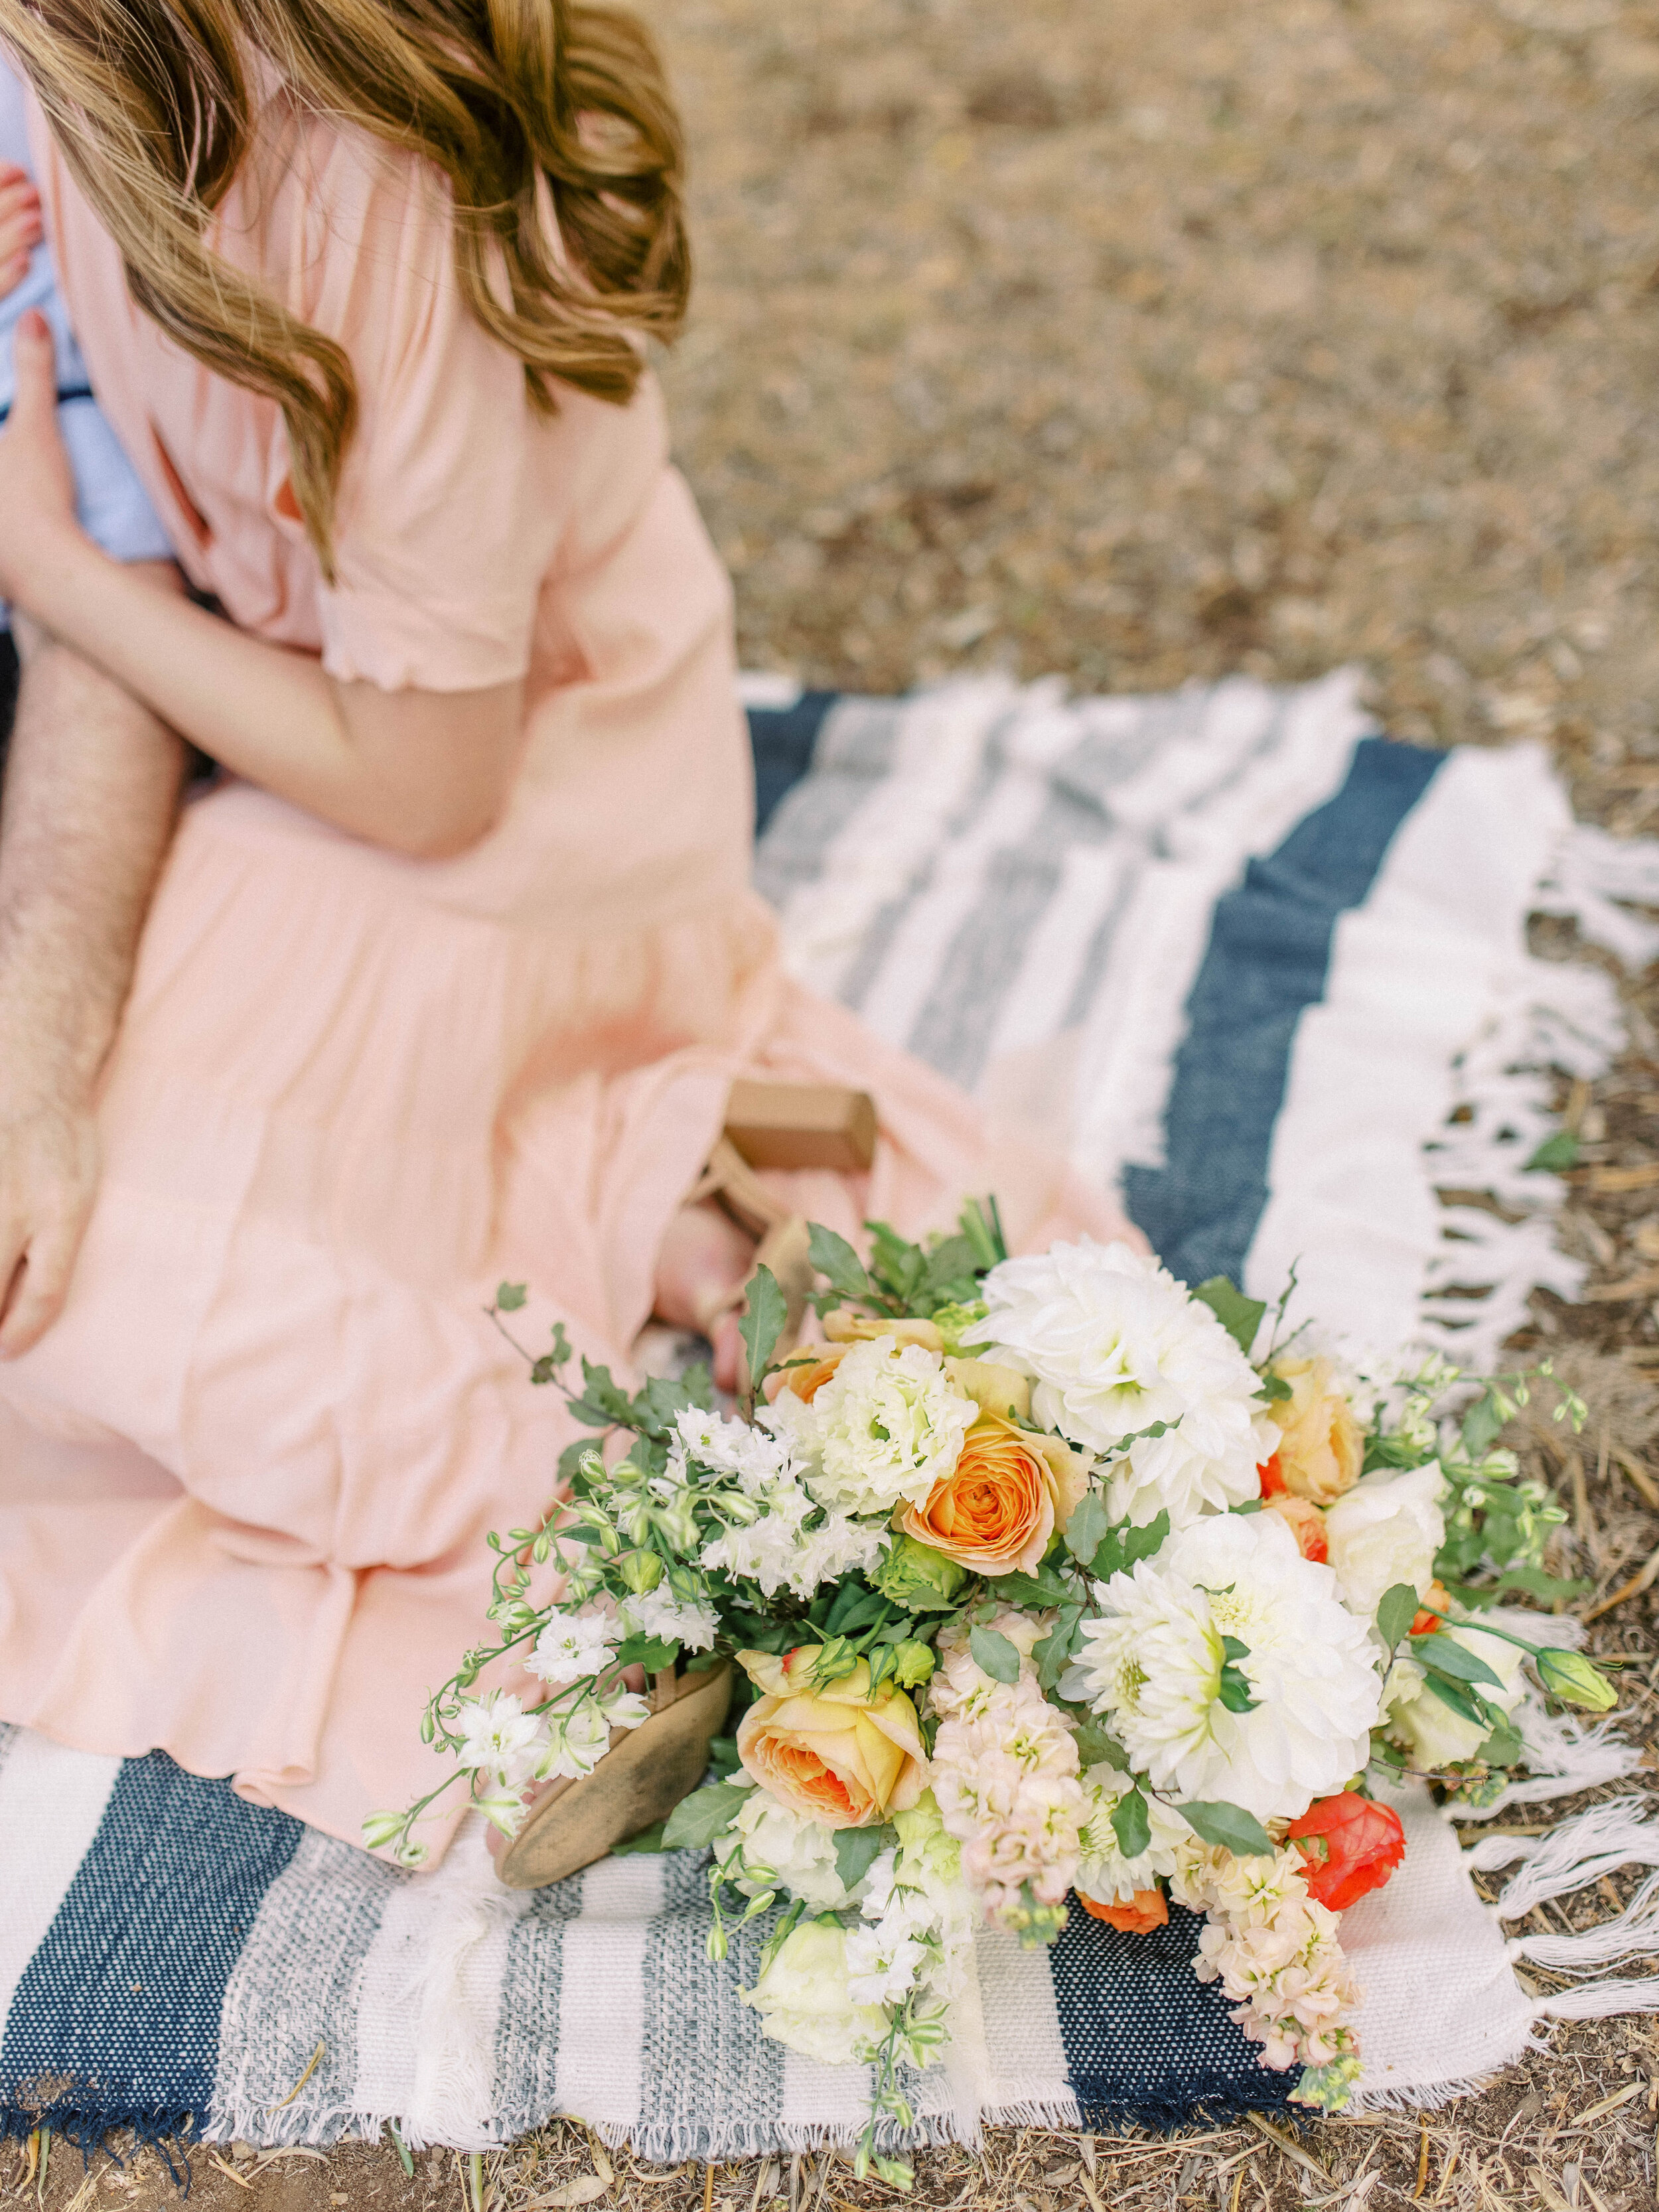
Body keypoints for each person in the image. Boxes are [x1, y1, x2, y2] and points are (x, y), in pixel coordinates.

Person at [0, 0, 1132, 1859]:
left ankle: (637, 1550)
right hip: (291, 735)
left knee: (92, 1296)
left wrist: (46, 570)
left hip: (515, 803)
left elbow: (433, 783)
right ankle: (669, 1216)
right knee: (81, 1311)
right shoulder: (92, 73)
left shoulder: (376, 179)